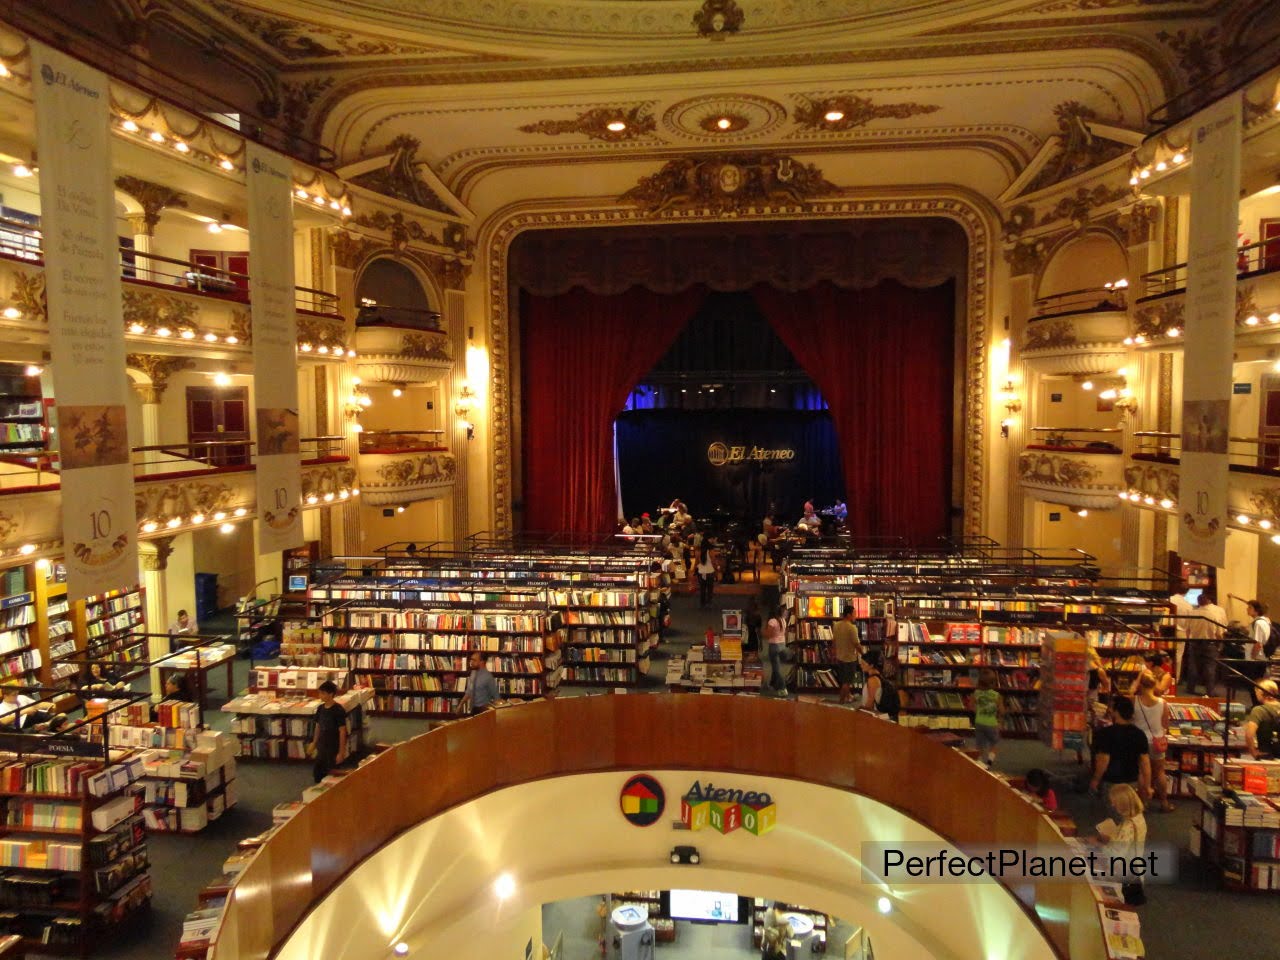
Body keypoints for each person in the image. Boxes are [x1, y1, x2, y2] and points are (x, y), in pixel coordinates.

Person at [1089, 697, 1152, 804]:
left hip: (1111, 781)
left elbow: (1103, 760)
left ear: (1116, 712)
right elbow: (1145, 762)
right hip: (1131, 781)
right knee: (1129, 813)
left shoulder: (1105, 733)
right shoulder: (1139, 734)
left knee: (1111, 814)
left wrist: (1095, 779)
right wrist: (1147, 786)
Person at [1094, 784, 1148, 906]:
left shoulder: (1127, 826)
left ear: (1123, 804)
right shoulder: (1138, 818)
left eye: (1115, 802)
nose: (1112, 805)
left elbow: (1116, 855)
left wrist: (1102, 845)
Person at [1133, 671, 1175, 812]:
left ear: (1141, 685)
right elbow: (1165, 724)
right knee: (1159, 772)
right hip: (1157, 741)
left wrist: (1137, 679)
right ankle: (1164, 802)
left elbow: (1128, 692)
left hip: (1139, 741)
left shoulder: (1135, 701)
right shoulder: (1163, 703)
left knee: (1141, 772)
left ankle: (1142, 804)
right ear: (1154, 684)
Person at [1184, 592, 1226, 695]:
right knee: (1210, 668)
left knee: (1193, 666)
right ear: (1208, 601)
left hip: (1194, 642)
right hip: (1210, 643)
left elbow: (1187, 630)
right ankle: (1210, 691)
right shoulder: (1214, 615)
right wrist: (1220, 644)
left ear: (1198, 602)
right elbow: (1219, 633)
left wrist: (1189, 640)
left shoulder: (1192, 613)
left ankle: (1190, 688)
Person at [311, 680, 347, 783]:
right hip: (322, 746)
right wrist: (314, 742)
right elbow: (318, 727)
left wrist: (341, 752)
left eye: (323, 693)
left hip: (333, 747)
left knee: (332, 775)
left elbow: (342, 731)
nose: (320, 695)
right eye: (319, 693)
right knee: (318, 773)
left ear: (331, 694)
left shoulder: (338, 710)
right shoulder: (320, 709)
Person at [0, 683, 67, 732]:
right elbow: (3, 721)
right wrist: (23, 712)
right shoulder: (2, 707)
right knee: (57, 724)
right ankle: (48, 725)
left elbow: (37, 704)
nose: (17, 696)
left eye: (17, 693)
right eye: (14, 695)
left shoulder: (21, 697)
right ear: (5, 696)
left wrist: (49, 705)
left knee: (62, 716)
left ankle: (46, 724)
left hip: (36, 716)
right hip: (24, 724)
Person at [973, 668, 1004, 768]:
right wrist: (999, 721)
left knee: (980, 744)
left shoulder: (976, 693)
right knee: (995, 743)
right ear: (993, 682)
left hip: (979, 722)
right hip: (992, 723)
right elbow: (1001, 710)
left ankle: (980, 762)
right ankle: (989, 762)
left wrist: (980, 712)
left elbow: (972, 707)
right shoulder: (997, 695)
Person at [1244, 679, 1280, 759]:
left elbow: (1249, 735)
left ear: (1261, 692)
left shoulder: (1259, 710)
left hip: (1266, 755)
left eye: (1256, 691)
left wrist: (1254, 753)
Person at [832, 606, 861, 704]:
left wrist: (835, 653)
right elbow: (857, 644)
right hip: (850, 659)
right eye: (854, 613)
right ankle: (841, 701)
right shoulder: (852, 628)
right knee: (847, 682)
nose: (855, 616)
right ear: (849, 615)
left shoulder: (836, 625)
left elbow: (834, 641)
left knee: (844, 679)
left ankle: (849, 696)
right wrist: (864, 654)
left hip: (840, 657)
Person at [858, 650, 897, 720]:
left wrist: (861, 713)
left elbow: (870, 703)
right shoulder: (879, 675)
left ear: (871, 665)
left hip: (877, 715)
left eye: (863, 663)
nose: (861, 665)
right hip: (881, 713)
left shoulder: (872, 680)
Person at [460, 650, 499, 714]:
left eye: (474, 660)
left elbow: (496, 696)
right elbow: (469, 691)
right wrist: (460, 705)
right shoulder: (473, 673)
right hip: (473, 709)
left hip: (484, 711)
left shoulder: (488, 677)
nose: (471, 662)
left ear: (482, 662)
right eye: (471, 660)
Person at [764, 606, 787, 696]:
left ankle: (782, 688)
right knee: (776, 665)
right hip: (782, 645)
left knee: (776, 668)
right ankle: (773, 684)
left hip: (774, 645)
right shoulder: (783, 620)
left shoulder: (772, 621)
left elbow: (768, 634)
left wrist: (763, 632)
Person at [695, 542, 717, 608]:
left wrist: (694, 571)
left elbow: (696, 563)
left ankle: (702, 603)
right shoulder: (711, 552)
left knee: (702, 589)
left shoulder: (698, 553)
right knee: (710, 589)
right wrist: (716, 570)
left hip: (701, 572)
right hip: (710, 572)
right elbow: (713, 562)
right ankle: (709, 603)